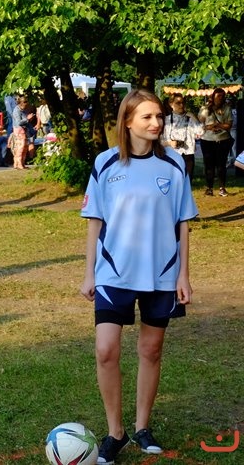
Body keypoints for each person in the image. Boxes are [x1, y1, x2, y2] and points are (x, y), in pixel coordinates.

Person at [79, 89, 196, 465]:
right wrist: (88, 273)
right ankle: (115, 432)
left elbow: (183, 223)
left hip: (161, 274)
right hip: (113, 272)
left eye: (159, 116)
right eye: (147, 116)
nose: (156, 123)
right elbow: (94, 221)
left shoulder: (175, 163)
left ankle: (143, 427)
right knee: (105, 350)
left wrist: (183, 275)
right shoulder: (105, 163)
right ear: (127, 121)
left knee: (151, 350)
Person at [197, 87, 233, 196]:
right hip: (207, 139)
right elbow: (200, 121)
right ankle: (209, 188)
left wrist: (218, 125)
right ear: (213, 97)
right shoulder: (205, 108)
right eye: (218, 96)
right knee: (209, 164)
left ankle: (222, 188)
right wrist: (207, 109)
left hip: (222, 139)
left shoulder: (227, 108)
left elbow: (229, 125)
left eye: (222, 96)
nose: (220, 98)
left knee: (221, 165)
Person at [160, 94, 200, 181]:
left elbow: (201, 132)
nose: (181, 105)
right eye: (178, 103)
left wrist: (194, 117)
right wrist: (169, 143)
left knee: (188, 180)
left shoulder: (190, 118)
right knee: (173, 181)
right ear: (171, 104)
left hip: (188, 153)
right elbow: (159, 141)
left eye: (183, 102)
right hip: (171, 154)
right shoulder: (166, 120)